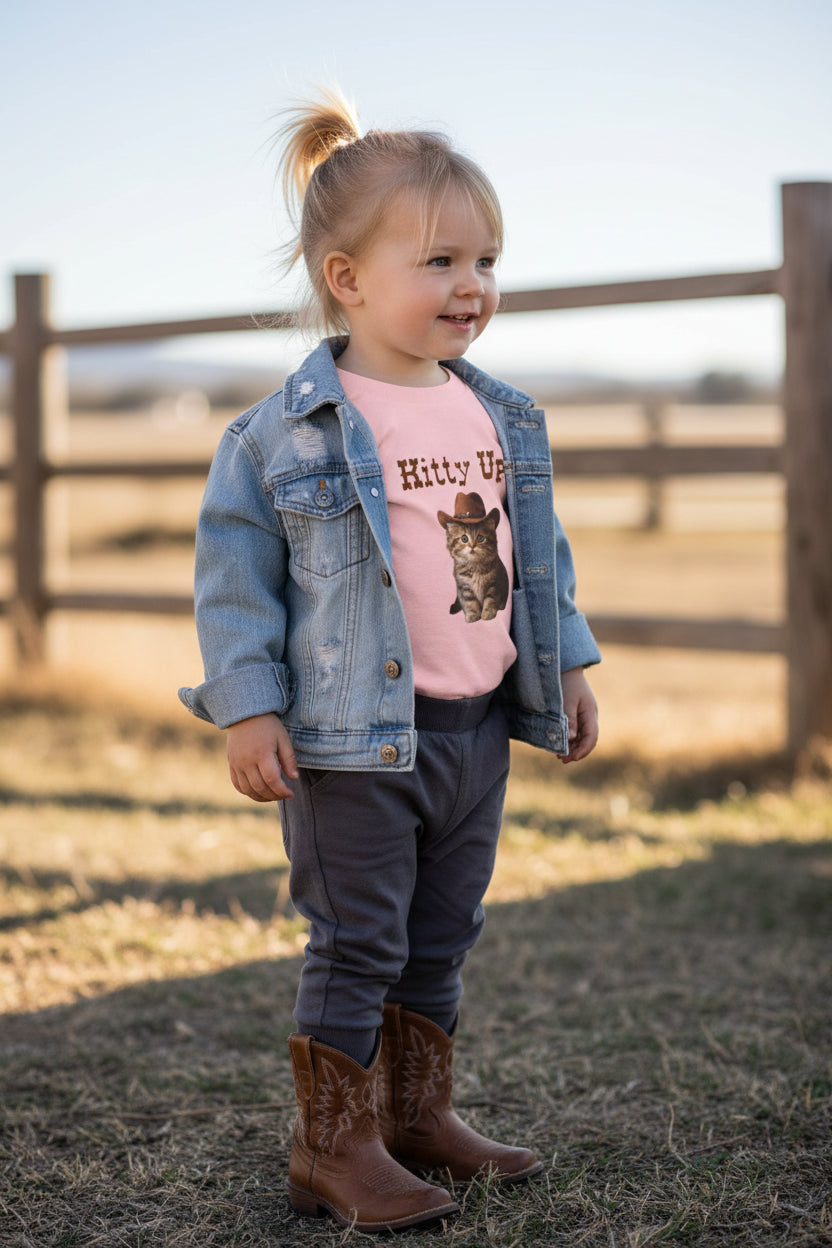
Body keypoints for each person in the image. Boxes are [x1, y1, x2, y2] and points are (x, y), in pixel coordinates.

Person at [179, 88, 600, 1234]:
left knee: (441, 933)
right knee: (359, 938)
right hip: (353, 744)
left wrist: (566, 664)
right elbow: (233, 583)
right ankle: (334, 1145)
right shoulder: (282, 434)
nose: (472, 285)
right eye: (440, 261)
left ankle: (416, 1115)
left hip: (474, 731)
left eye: (486, 260)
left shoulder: (496, 416)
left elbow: (535, 553)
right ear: (347, 279)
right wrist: (249, 708)